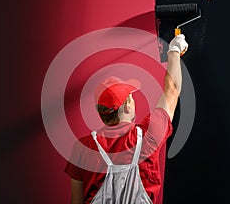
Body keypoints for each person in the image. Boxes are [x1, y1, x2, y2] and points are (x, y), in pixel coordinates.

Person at [65, 34, 189, 204]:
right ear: (128, 105)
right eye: (131, 97)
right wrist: (174, 50)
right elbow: (172, 90)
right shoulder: (149, 135)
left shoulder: (82, 148)